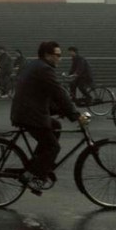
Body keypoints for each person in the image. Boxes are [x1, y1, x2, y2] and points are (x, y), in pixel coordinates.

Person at [10, 41, 88, 193]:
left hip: (26, 111)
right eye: (57, 55)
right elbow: (58, 92)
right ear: (47, 55)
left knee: (55, 127)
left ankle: (37, 165)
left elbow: (43, 94)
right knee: (53, 147)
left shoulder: (37, 65)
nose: (60, 58)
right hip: (29, 114)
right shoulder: (44, 69)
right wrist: (75, 115)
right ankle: (32, 175)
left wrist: (61, 111)